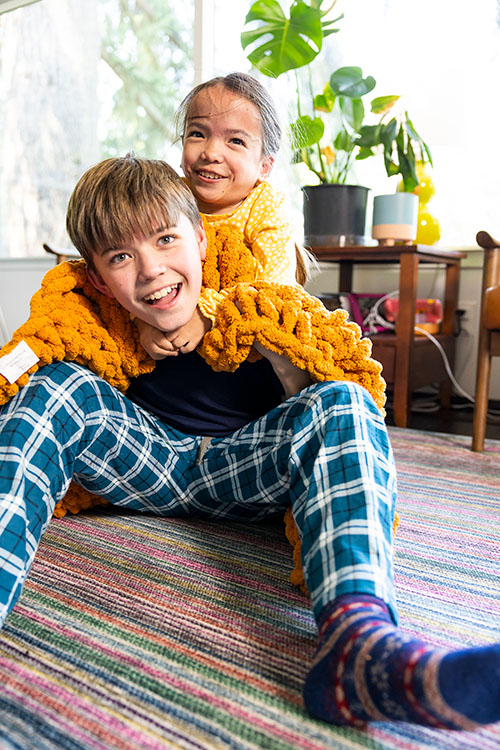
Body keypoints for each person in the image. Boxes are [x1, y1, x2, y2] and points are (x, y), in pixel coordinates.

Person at [1, 155, 499, 731]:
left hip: (244, 464)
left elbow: (321, 384)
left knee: (344, 402)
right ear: (95, 276)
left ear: (202, 239)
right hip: (150, 459)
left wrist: (227, 327)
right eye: (120, 257)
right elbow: (27, 359)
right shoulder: (84, 310)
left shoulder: (257, 291)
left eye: (166, 240)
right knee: (54, 387)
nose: (150, 271)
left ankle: (359, 646)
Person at [136, 71, 310, 360]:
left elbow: (276, 291)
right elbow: (135, 272)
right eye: (197, 134)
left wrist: (207, 315)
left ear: (265, 166)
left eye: (236, 142)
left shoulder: (265, 206)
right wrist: (142, 322)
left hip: (246, 358)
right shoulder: (165, 198)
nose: (211, 152)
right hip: (170, 353)